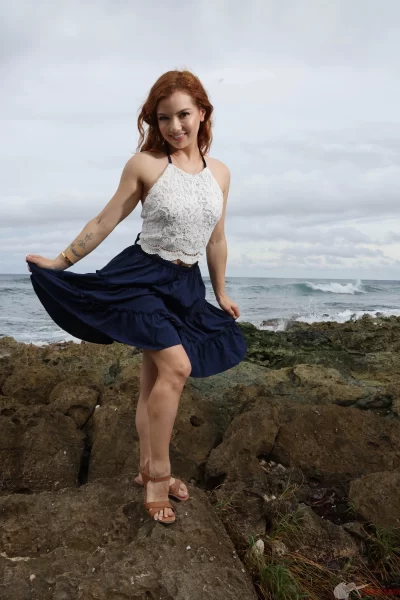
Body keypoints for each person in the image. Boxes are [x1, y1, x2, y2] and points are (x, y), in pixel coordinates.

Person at [26, 69, 247, 526]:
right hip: (142, 278)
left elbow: (216, 238)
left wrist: (221, 291)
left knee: (153, 383)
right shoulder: (145, 165)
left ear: (202, 113)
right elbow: (105, 220)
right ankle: (159, 477)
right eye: (163, 118)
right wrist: (60, 262)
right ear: (154, 121)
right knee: (177, 367)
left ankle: (146, 466)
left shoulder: (221, 174)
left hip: (185, 287)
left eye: (183, 115)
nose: (175, 126)